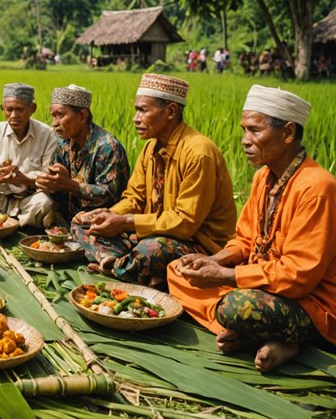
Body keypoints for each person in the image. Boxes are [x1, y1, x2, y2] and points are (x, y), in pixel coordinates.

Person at [168, 86, 335, 372]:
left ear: (288, 133)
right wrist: (213, 260)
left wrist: (226, 275)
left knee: (235, 306)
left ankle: (286, 338)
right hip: (263, 283)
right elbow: (244, 240)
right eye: (244, 130)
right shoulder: (262, 179)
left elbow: (299, 276)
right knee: (176, 270)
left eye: (254, 131)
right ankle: (256, 336)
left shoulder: (318, 188)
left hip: (311, 302)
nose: (245, 141)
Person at [76, 74, 237, 287]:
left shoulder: (199, 152)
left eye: (143, 110)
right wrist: (109, 214)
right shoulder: (150, 148)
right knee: (82, 223)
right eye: (137, 110)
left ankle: (117, 265)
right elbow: (134, 198)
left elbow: (185, 224)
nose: (135, 118)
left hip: (196, 242)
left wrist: (125, 222)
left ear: (170, 111)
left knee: (153, 249)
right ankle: (126, 266)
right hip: (153, 230)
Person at [35, 85, 130, 224]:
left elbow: (110, 195)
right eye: (53, 116)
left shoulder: (108, 147)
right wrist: (50, 182)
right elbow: (58, 186)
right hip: (70, 217)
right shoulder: (63, 144)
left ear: (82, 116)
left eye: (61, 115)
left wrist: (70, 185)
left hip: (101, 220)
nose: (55, 123)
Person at [0, 83, 58, 228]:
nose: (14, 115)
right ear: (2, 109)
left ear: (32, 109)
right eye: (9, 109)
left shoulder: (47, 135)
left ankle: (6, 222)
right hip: (1, 197)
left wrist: (24, 179)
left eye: (20, 109)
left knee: (44, 203)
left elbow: (49, 178)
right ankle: (21, 222)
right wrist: (1, 178)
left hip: (30, 198)